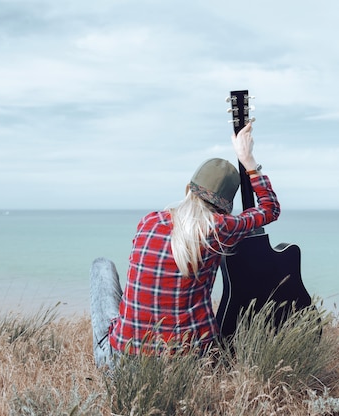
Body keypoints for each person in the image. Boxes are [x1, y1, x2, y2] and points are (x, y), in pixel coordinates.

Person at [90, 121, 280, 367]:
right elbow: (269, 208)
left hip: (121, 364)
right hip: (188, 366)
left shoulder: (148, 221)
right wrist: (249, 161)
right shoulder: (221, 227)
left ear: (188, 189)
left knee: (101, 265)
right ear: (225, 206)